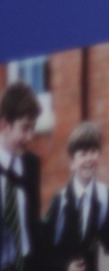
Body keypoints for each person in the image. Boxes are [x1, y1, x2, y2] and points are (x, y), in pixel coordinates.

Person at [42, 122, 109, 271]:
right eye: (83, 154)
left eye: (93, 151)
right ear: (72, 163)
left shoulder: (105, 197)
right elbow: (44, 249)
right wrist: (65, 266)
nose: (89, 159)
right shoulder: (60, 202)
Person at [0, 82, 42, 271]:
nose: (30, 137)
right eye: (25, 128)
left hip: (28, 263)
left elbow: (34, 226)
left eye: (33, 128)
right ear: (4, 125)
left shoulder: (31, 165)